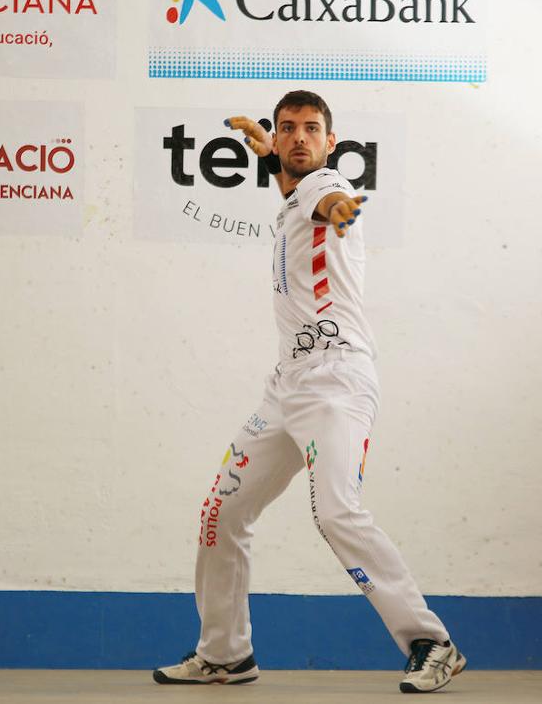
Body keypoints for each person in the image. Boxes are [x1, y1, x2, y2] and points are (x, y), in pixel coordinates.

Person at [152, 91, 465, 694]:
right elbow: (295, 190)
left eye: (311, 129)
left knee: (336, 511)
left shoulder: (326, 188)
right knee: (223, 511)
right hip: (286, 389)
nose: (298, 138)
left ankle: (433, 643)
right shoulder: (294, 193)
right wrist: (270, 157)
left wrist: (342, 207)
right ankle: (224, 654)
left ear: (332, 143)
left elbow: (328, 202)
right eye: (287, 128)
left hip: (337, 382)